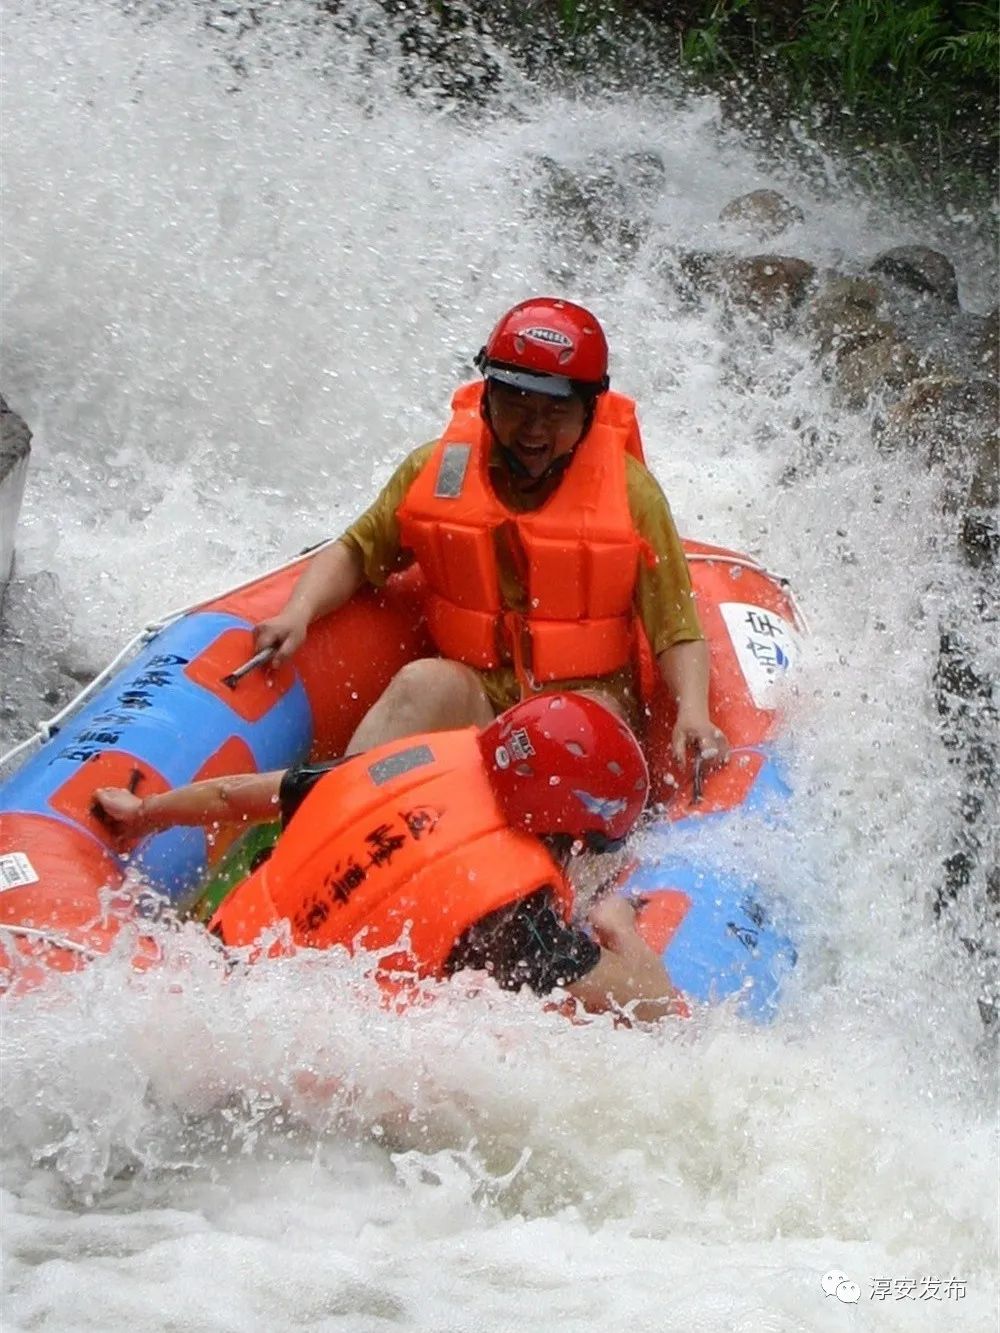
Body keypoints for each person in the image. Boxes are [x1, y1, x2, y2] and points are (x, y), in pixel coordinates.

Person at [255, 296, 728, 767]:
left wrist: (692, 710)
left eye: (555, 410)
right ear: (486, 398)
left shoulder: (633, 493)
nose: (533, 428)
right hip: (476, 700)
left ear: (588, 412)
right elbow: (356, 553)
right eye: (516, 402)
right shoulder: (436, 471)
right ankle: (340, 810)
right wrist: (298, 612)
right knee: (423, 682)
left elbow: (676, 628)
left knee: (564, 725)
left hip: (586, 709)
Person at [94, 693, 682, 1022]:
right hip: (284, 1046)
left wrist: (144, 814)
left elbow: (231, 795)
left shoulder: (400, 768)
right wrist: (617, 922)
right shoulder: (512, 913)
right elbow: (654, 1005)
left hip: (214, 963)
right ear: (570, 828)